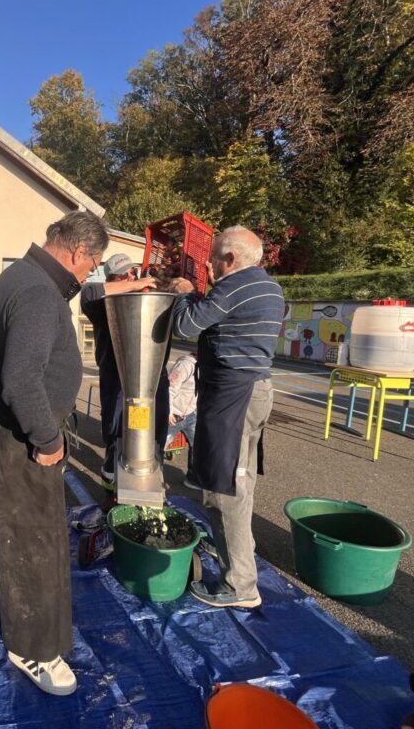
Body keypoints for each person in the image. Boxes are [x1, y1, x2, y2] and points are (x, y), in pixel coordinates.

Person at [0, 210, 109, 696]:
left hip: (19, 430)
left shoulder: (23, 274)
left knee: (19, 519)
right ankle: (32, 648)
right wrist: (48, 440)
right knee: (37, 537)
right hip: (29, 436)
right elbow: (20, 379)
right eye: (92, 264)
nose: (89, 274)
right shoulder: (38, 292)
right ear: (77, 252)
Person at [167, 226, 285, 609]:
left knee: (223, 490)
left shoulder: (235, 286)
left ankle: (240, 586)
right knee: (242, 480)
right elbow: (226, 319)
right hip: (257, 390)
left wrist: (185, 294)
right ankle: (240, 554)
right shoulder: (268, 287)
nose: (210, 264)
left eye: (214, 258)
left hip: (232, 396)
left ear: (230, 259)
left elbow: (186, 325)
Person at [79, 253, 158, 486]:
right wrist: (135, 285)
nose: (133, 277)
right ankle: (110, 476)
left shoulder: (141, 297)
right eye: (127, 274)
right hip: (115, 371)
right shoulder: (99, 301)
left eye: (134, 272)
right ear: (114, 278)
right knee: (115, 422)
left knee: (143, 426)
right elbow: (89, 292)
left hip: (145, 373)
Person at [165, 351, 198, 485]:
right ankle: (152, 477)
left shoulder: (205, 366)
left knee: (198, 445)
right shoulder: (186, 364)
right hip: (174, 415)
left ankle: (192, 479)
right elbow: (170, 387)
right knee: (159, 447)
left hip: (191, 414)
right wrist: (168, 411)